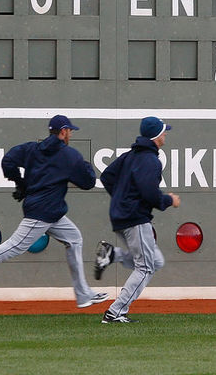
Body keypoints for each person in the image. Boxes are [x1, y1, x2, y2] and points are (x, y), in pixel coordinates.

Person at [0, 114, 107, 308]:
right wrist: (84, 164)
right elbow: (87, 182)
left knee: (75, 239)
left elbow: (8, 160)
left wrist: (21, 184)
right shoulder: (69, 156)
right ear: (62, 132)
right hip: (42, 213)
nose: (70, 134)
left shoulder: (32, 149)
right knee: (15, 246)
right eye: (69, 130)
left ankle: (84, 294)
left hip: (52, 213)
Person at [94, 116, 181, 323]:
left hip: (121, 216)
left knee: (155, 261)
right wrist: (168, 200)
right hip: (135, 219)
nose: (165, 133)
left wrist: (121, 199)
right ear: (156, 136)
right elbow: (149, 193)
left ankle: (112, 254)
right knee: (146, 267)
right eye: (163, 131)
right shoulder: (150, 160)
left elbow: (106, 177)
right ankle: (115, 312)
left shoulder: (130, 156)